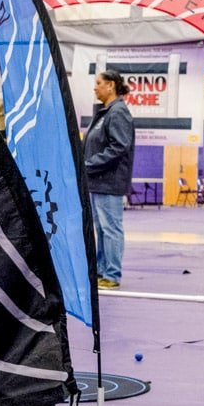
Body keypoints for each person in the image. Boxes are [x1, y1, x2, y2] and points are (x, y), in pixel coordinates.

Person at [83, 70, 135, 290]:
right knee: (102, 229)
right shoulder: (106, 113)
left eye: (98, 83)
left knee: (111, 229)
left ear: (111, 85)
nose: (95, 87)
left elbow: (119, 147)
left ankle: (112, 274)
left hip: (110, 182)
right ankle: (102, 271)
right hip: (98, 181)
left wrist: (89, 164)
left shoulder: (118, 113)